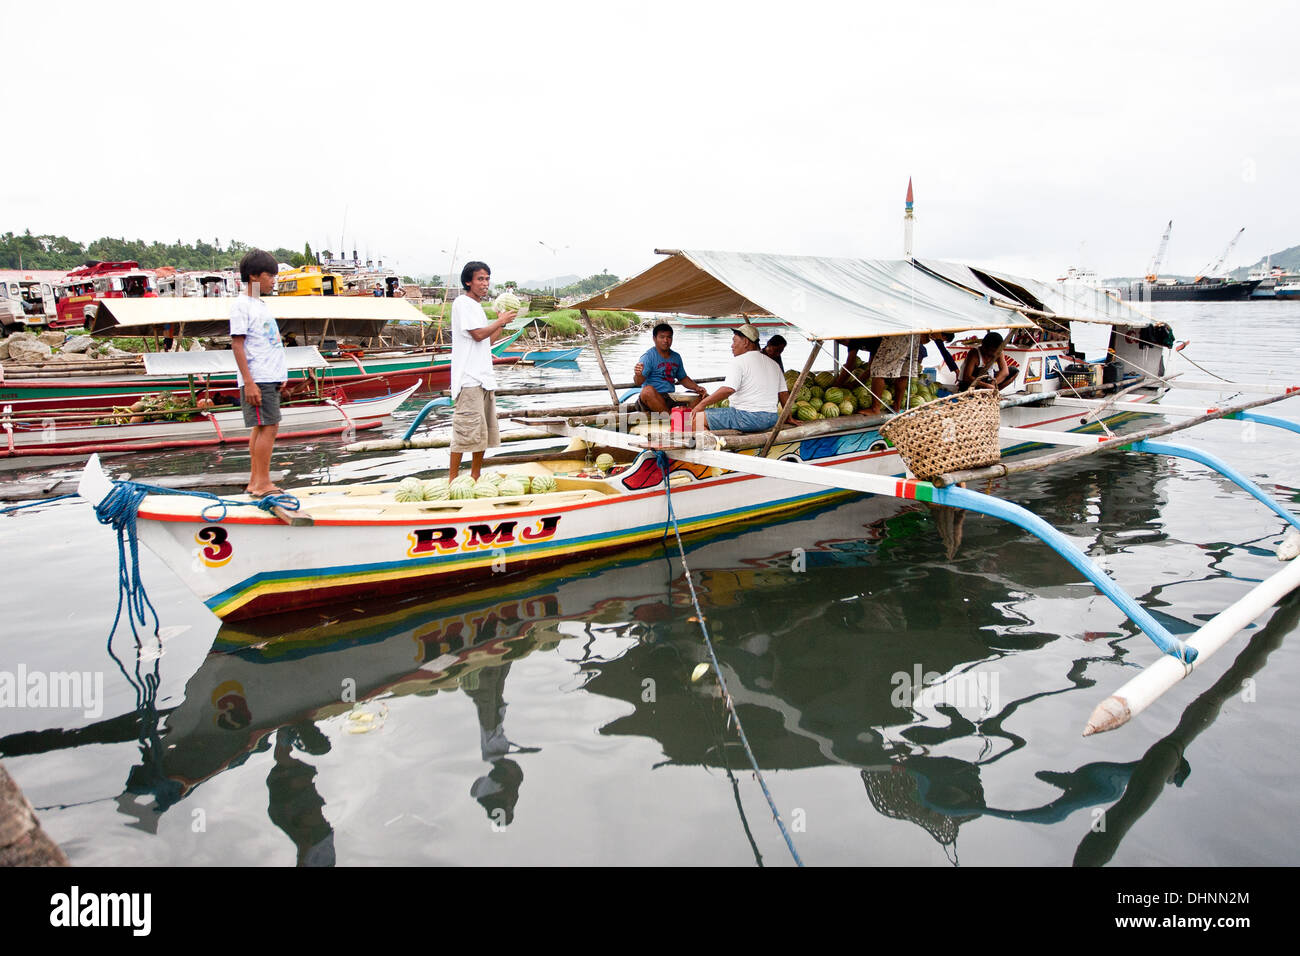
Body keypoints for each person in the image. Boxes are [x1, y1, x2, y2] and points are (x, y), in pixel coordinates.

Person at [449, 261, 516, 481]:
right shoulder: (462, 302)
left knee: (482, 433)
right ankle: (452, 479)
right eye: (480, 279)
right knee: (464, 432)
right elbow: (477, 334)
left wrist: (501, 324)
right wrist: (500, 320)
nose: (485, 283)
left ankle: (475, 476)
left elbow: (486, 342)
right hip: (468, 379)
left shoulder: (477, 307)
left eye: (487, 279)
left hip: (484, 379)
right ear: (468, 281)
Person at [229, 249, 286, 497]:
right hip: (258, 378)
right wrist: (249, 382)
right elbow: (237, 344)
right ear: (254, 276)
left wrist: (280, 374)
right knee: (268, 427)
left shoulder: (258, 304)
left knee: (261, 428)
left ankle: (256, 481)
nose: (273, 281)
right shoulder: (242, 305)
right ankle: (262, 482)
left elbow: (267, 343)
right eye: (269, 275)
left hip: (269, 376)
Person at [691, 323, 789, 433]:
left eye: (734, 341)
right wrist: (788, 417)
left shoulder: (739, 361)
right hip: (771, 418)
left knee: (696, 419)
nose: (732, 346)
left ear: (746, 342)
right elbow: (783, 394)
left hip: (747, 418)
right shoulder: (774, 364)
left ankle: (708, 448)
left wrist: (702, 404)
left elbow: (728, 389)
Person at [633, 323, 706, 413]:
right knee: (647, 391)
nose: (666, 340)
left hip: (671, 397)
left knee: (699, 396)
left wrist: (697, 388)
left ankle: (679, 417)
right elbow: (638, 382)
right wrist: (638, 374)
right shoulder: (648, 357)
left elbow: (682, 378)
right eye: (662, 337)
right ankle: (672, 419)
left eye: (669, 337)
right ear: (654, 339)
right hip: (653, 399)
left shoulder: (676, 357)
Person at [863, 333, 920, 415]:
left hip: (897, 334)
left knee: (879, 369)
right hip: (913, 333)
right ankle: (897, 407)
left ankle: (875, 408)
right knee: (904, 370)